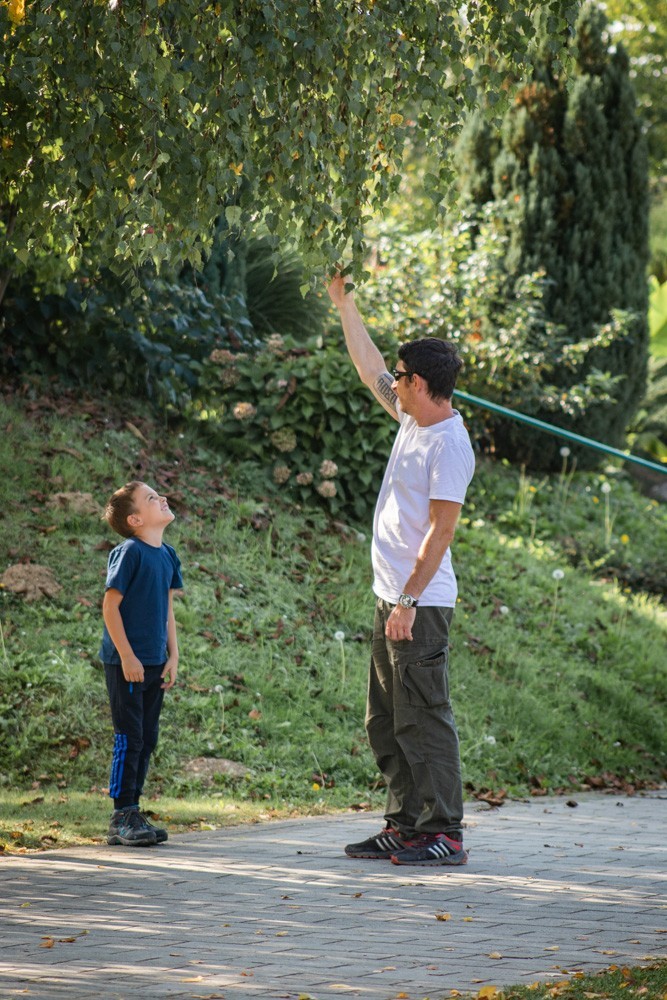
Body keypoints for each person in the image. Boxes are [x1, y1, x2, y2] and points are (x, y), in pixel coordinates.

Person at [327, 274, 475, 867]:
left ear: (425, 384)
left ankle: (445, 832)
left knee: (425, 718)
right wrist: (345, 303)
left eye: (404, 376)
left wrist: (409, 602)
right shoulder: (413, 420)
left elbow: (442, 531)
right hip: (392, 597)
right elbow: (368, 370)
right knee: (387, 720)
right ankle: (406, 824)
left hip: (421, 603)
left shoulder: (449, 445)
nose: (395, 382)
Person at [100, 481, 183, 847]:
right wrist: (128, 656)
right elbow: (110, 606)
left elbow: (167, 610)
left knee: (147, 738)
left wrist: (173, 655)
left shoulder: (167, 554)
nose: (162, 497)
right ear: (135, 519)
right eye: (152, 498)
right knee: (128, 738)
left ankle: (134, 810)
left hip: (154, 662)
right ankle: (121, 815)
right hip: (126, 664)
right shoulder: (129, 552)